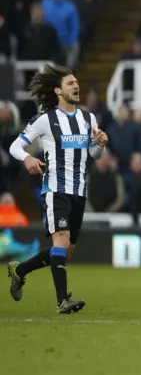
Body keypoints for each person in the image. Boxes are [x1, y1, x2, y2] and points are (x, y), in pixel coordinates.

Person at [7, 64, 108, 314]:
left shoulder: (88, 118)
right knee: (61, 243)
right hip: (56, 188)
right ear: (58, 91)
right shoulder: (45, 120)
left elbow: (93, 153)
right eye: (71, 83)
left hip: (79, 191)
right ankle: (63, 301)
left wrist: (100, 144)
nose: (76, 86)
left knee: (64, 252)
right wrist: (27, 158)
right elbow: (15, 147)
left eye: (76, 82)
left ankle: (19, 270)